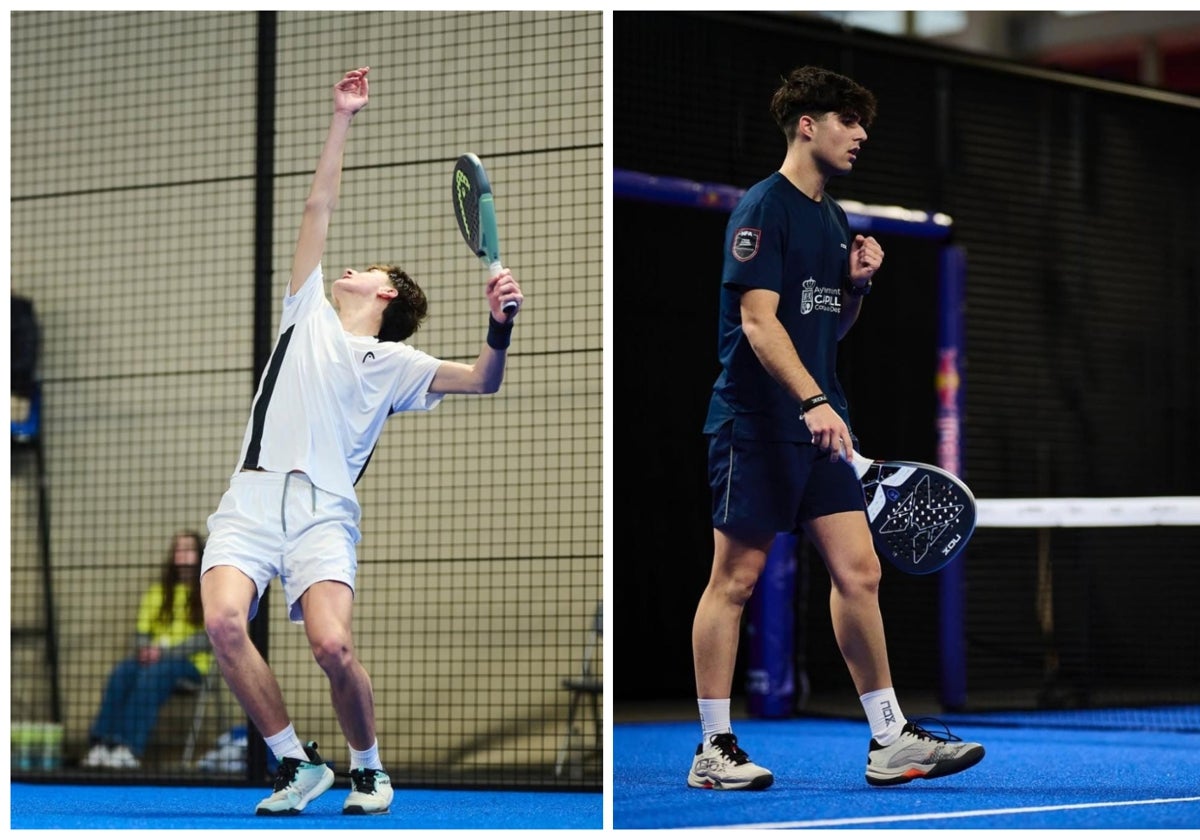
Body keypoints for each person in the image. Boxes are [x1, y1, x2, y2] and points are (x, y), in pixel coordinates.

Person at [200, 66, 523, 817]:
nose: (349, 264)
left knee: (332, 648)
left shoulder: (397, 365)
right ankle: (295, 763)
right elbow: (319, 203)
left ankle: (367, 768)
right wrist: (343, 117)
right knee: (220, 621)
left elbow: (482, 380)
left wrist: (500, 328)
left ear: (387, 295)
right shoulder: (303, 312)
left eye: (368, 268)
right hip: (249, 499)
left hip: (323, 512)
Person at [689, 66, 984, 790]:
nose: (859, 137)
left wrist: (857, 288)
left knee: (860, 571)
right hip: (756, 424)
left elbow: (829, 329)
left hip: (824, 426)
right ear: (807, 124)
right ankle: (713, 748)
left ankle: (889, 739)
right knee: (736, 578)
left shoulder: (833, 218)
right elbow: (758, 325)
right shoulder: (764, 207)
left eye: (864, 127)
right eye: (849, 122)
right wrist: (813, 400)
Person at [82, 530, 211, 770]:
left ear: (200, 554)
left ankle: (127, 747)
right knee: (123, 672)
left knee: (155, 674)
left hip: (190, 665)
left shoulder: (208, 590)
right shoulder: (158, 591)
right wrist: (145, 650)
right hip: (153, 659)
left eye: (189, 549)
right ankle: (102, 744)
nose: (183, 554)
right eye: (178, 549)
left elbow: (208, 637)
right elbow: (141, 633)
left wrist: (164, 654)